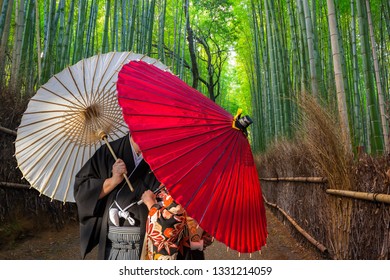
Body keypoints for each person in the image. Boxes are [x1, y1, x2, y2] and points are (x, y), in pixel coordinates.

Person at [74, 133, 160, 260]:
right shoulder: (109, 152)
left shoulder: (163, 155)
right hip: (112, 245)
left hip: (147, 244)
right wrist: (113, 180)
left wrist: (153, 203)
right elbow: (82, 191)